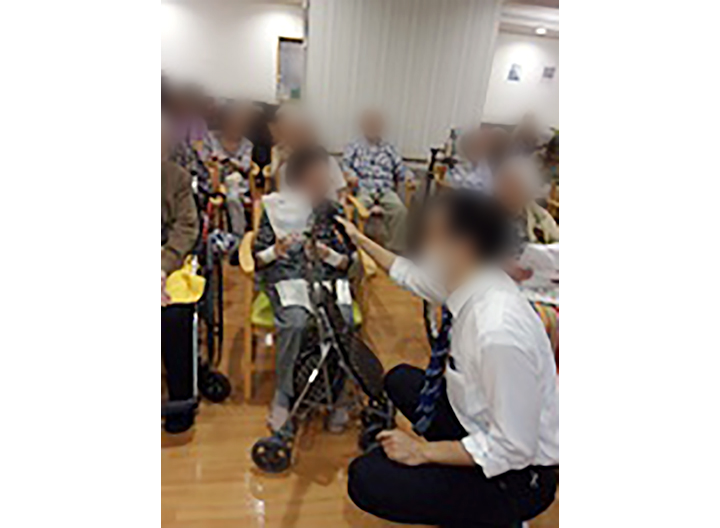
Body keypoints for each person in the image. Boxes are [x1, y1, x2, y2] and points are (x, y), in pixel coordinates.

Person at [336, 190, 559, 527]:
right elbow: (406, 273)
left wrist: (422, 452)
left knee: (366, 478)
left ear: (463, 246)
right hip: (480, 421)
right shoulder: (470, 277)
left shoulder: (497, 331)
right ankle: (461, 474)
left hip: (522, 474)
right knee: (399, 379)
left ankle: (501, 515)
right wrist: (358, 238)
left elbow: (514, 447)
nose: (420, 245)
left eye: (430, 235)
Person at [253, 146, 356, 432]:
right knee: (296, 321)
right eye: (315, 180)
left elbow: (350, 261)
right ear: (297, 181)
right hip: (288, 280)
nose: (322, 185)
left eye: (324, 179)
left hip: (327, 279)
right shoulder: (276, 210)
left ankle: (337, 393)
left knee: (344, 320)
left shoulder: (333, 212)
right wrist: (276, 250)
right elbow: (257, 259)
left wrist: (329, 255)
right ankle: (284, 395)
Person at [495, 157, 560, 367]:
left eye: (518, 188)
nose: (511, 192)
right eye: (507, 185)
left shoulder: (539, 216)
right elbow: (470, 257)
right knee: (537, 323)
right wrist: (500, 265)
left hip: (541, 288)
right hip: (499, 286)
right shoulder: (484, 215)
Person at [161, 111, 200, 434]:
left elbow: (186, 227)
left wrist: (162, 265)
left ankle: (180, 399)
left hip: (167, 257)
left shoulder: (177, 178)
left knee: (175, 315)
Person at [343, 109, 412, 252]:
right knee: (358, 208)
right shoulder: (354, 147)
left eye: (376, 125)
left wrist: (408, 176)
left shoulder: (389, 149)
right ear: (363, 126)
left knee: (400, 211)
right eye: (370, 124)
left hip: (385, 190)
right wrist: (350, 176)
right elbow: (345, 167)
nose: (373, 127)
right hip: (364, 188)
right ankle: (358, 248)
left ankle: (393, 252)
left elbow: (401, 168)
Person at [207, 102, 254, 237]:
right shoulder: (211, 138)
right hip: (213, 180)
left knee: (233, 197)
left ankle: (238, 235)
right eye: (232, 122)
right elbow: (205, 158)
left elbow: (245, 166)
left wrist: (229, 162)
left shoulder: (247, 144)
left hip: (237, 183)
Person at [276, 113, 348, 202]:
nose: (301, 139)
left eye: (304, 134)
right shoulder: (285, 168)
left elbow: (342, 189)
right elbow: (285, 198)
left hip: (330, 207)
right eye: (296, 136)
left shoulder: (328, 161)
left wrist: (341, 205)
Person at [446, 128, 493, 193]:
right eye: (477, 144)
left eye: (483, 146)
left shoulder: (485, 167)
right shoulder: (455, 163)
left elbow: (488, 189)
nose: (481, 148)